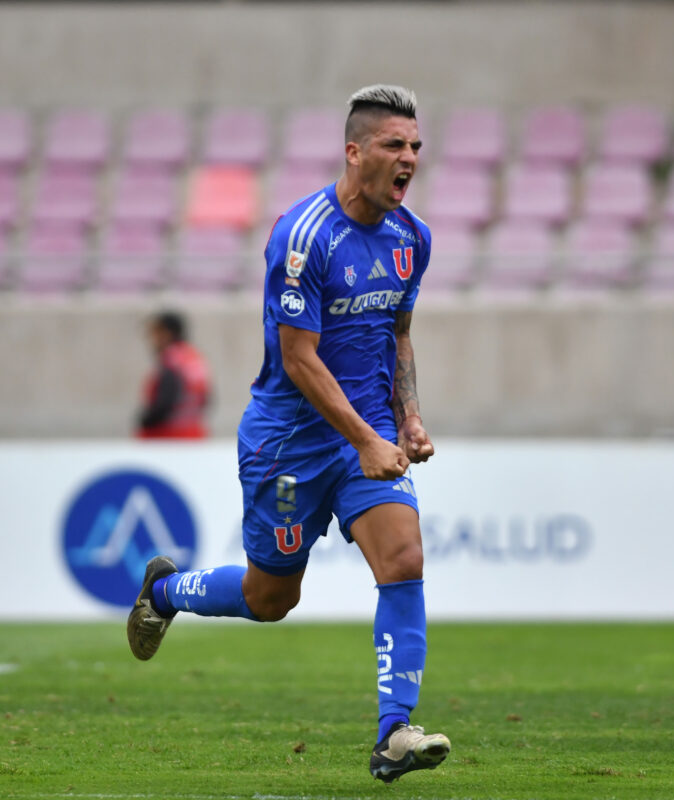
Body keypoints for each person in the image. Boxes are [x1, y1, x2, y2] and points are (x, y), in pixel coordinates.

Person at [126, 84, 450, 783]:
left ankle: (395, 732)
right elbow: (299, 358)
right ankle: (164, 592)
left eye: (417, 146)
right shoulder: (303, 237)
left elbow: (398, 335)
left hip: (364, 439)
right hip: (287, 446)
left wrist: (410, 416)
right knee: (271, 600)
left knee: (404, 562)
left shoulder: (412, 240)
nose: (410, 158)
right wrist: (369, 437)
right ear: (354, 151)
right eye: (395, 145)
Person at [136, 310, 211, 439]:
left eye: (155, 333)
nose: (152, 340)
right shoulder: (194, 357)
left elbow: (165, 403)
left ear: (166, 333)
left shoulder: (171, 361)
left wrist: (144, 421)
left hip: (167, 439)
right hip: (193, 435)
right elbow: (206, 399)